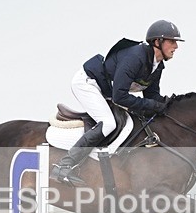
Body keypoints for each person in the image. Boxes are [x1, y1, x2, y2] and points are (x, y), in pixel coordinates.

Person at [50, 19, 183, 186]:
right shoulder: (135, 57)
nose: (176, 47)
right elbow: (120, 97)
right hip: (87, 82)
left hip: (105, 89)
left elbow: (152, 97)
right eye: (172, 41)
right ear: (158, 42)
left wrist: (170, 105)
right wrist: (152, 105)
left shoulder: (157, 66)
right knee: (108, 123)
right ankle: (63, 166)